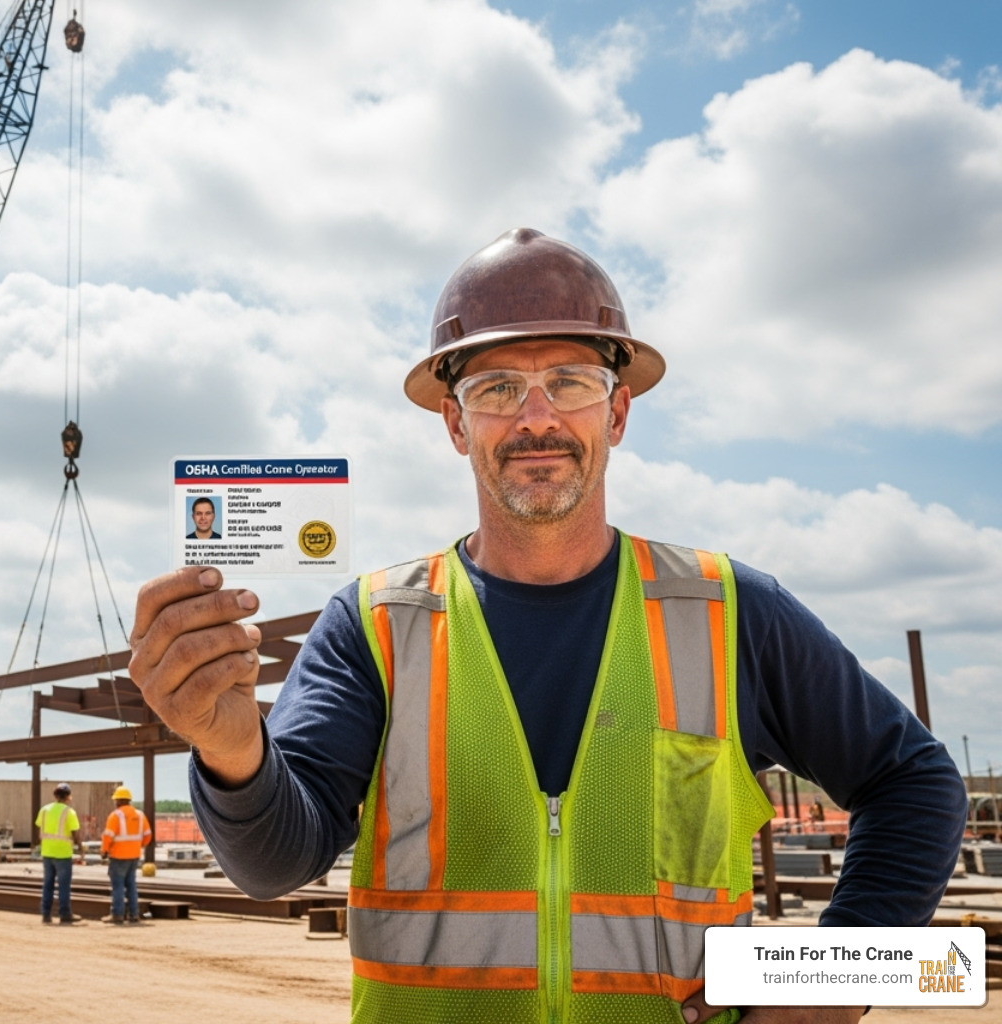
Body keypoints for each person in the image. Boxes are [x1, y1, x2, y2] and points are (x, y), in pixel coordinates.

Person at [128, 228, 968, 1024]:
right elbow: (276, 862)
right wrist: (230, 748)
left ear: (618, 413)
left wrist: (828, 990)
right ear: (456, 424)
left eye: (569, 381)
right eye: (496, 389)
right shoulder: (376, 625)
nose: (537, 418)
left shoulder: (730, 611)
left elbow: (916, 784)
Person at [100, 786, 151, 924]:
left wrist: (104, 851)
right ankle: (134, 915)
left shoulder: (115, 815)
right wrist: (138, 846)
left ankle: (117, 915)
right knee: (131, 886)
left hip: (118, 856)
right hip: (134, 855)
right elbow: (147, 835)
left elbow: (108, 836)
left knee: (118, 887)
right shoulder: (140, 815)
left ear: (118, 800)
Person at [35, 783, 83, 924]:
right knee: (63, 886)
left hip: (47, 851)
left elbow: (38, 829)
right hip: (63, 853)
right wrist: (81, 848)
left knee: (48, 884)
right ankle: (65, 914)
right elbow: (75, 832)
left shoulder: (44, 810)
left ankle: (46, 915)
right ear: (68, 796)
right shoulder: (69, 812)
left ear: (55, 795)